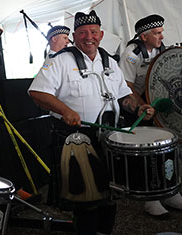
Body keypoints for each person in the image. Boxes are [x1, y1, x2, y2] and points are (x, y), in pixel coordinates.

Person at [28, 10, 155, 235]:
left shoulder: (110, 62)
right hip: (75, 140)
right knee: (87, 201)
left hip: (109, 138)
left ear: (101, 34)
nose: (89, 37)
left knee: (109, 196)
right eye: (83, 32)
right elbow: (37, 92)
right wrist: (65, 110)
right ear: (74, 36)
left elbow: (123, 96)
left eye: (93, 32)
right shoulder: (60, 61)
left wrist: (138, 107)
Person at [119, 14, 182, 219]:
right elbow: (126, 86)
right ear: (144, 37)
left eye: (161, 32)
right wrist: (142, 106)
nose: (162, 36)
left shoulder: (162, 50)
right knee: (148, 153)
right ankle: (151, 199)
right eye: (157, 33)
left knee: (168, 148)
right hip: (137, 107)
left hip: (158, 105)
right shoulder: (132, 54)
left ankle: (171, 192)